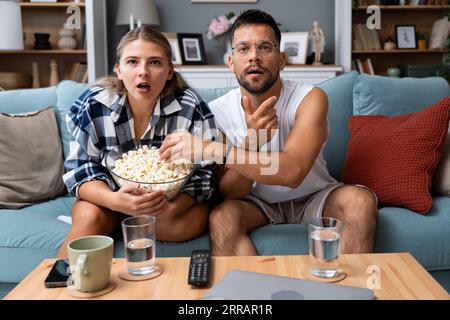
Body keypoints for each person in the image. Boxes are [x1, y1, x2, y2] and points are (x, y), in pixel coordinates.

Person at [160, 10, 378, 257]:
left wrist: (214, 150)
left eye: (264, 47)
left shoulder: (309, 99)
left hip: (314, 195)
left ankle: (348, 295)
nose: (254, 57)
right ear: (231, 62)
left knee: (359, 202)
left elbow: (293, 172)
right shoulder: (216, 112)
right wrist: (252, 142)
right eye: (243, 49)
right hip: (257, 203)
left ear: (282, 59)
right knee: (222, 217)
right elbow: (231, 193)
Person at [57, 26, 218, 258]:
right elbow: (80, 170)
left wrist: (171, 208)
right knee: (89, 218)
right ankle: (56, 283)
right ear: (118, 70)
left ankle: (121, 224)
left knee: (188, 225)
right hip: (108, 197)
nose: (143, 72)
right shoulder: (94, 104)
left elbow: (205, 174)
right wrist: (114, 201)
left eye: (154, 62)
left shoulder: (190, 106)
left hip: (166, 203)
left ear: (169, 70)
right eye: (132, 62)